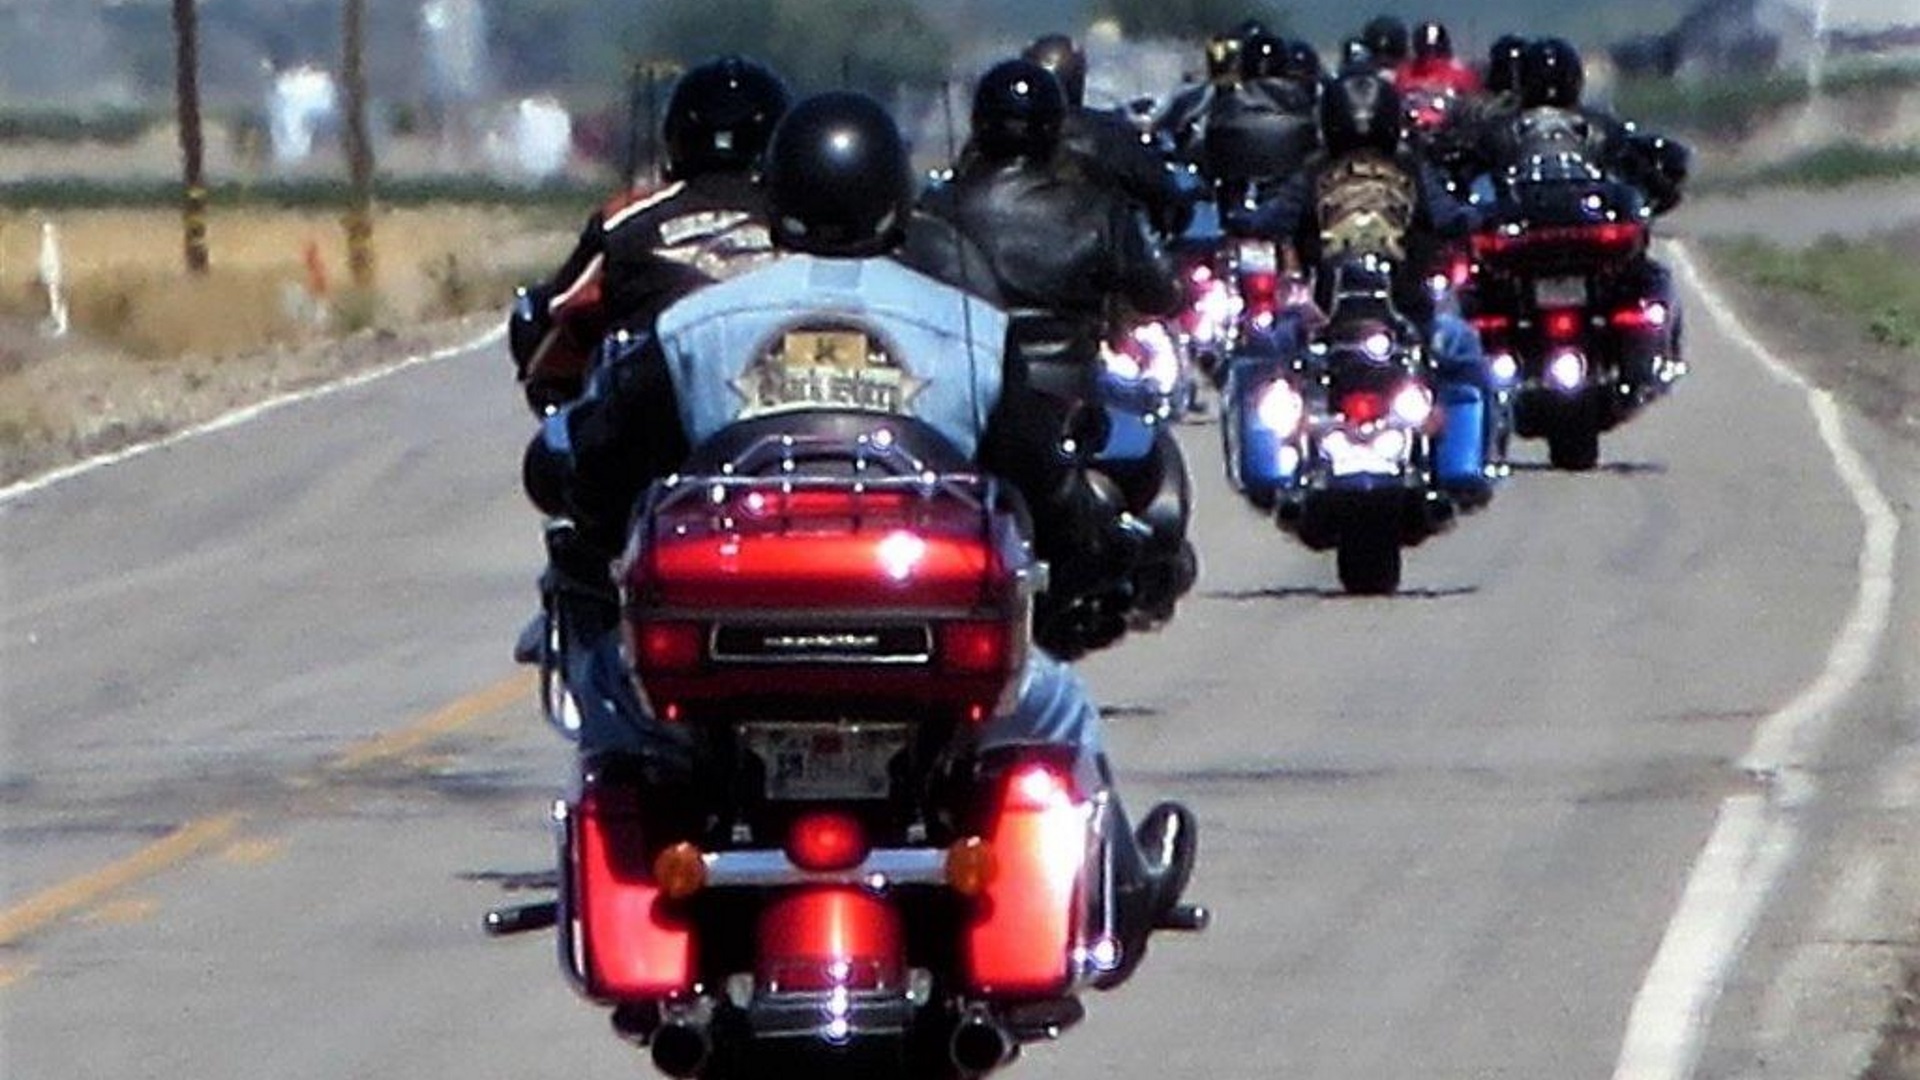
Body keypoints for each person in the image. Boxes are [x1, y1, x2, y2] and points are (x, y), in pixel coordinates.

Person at [525, 90, 1198, 987]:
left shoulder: (689, 328)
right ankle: (1124, 887)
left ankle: (638, 886)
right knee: (1061, 707)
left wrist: (597, 526)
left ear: (777, 199)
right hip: (921, 648)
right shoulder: (967, 328)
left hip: (721, 660)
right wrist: (1102, 552)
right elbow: (1045, 485)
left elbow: (603, 474)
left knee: (609, 703)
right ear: (895, 203)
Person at [918, 60, 1193, 641]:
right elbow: (1160, 289)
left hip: (963, 400)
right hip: (1063, 396)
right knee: (1153, 458)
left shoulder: (936, 210)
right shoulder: (1096, 208)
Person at [1235, 68, 1499, 499]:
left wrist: (1245, 219)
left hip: (1327, 320)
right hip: (1399, 317)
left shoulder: (1313, 170)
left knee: (1260, 356)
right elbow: (1451, 217)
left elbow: (1270, 220)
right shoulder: (1410, 167)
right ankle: (1462, 467)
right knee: (1463, 353)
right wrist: (1480, 217)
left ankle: (1268, 472)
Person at [509, 56, 790, 411]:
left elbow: (562, 308)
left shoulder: (626, 218)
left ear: (675, 136)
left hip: (659, 420)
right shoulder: (810, 218)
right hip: (780, 411)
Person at [1022, 33, 1197, 237]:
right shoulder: (1107, 134)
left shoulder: (999, 141)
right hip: (1093, 256)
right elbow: (1162, 191)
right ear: (1078, 78)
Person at [1201, 31, 1321, 213]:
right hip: (1285, 211)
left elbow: (1207, 150)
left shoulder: (1226, 101)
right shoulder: (1300, 101)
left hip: (1240, 210)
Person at [1398, 20, 1481, 95]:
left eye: (1435, 46)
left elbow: (1472, 100)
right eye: (1425, 46)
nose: (1430, 50)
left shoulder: (1462, 73)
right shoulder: (1405, 72)